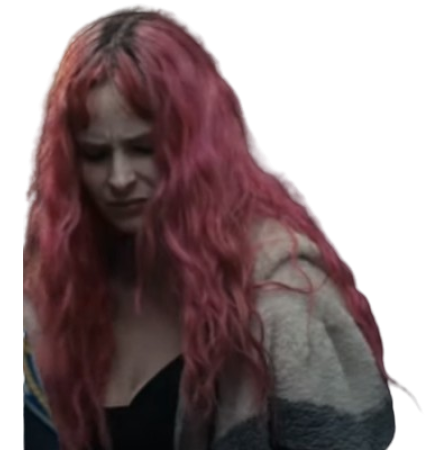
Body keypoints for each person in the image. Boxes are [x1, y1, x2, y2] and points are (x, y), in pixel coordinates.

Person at [24, 4, 422, 450]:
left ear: (194, 148)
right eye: (96, 155)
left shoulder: (283, 296)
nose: (119, 178)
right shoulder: (51, 290)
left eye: (143, 149)